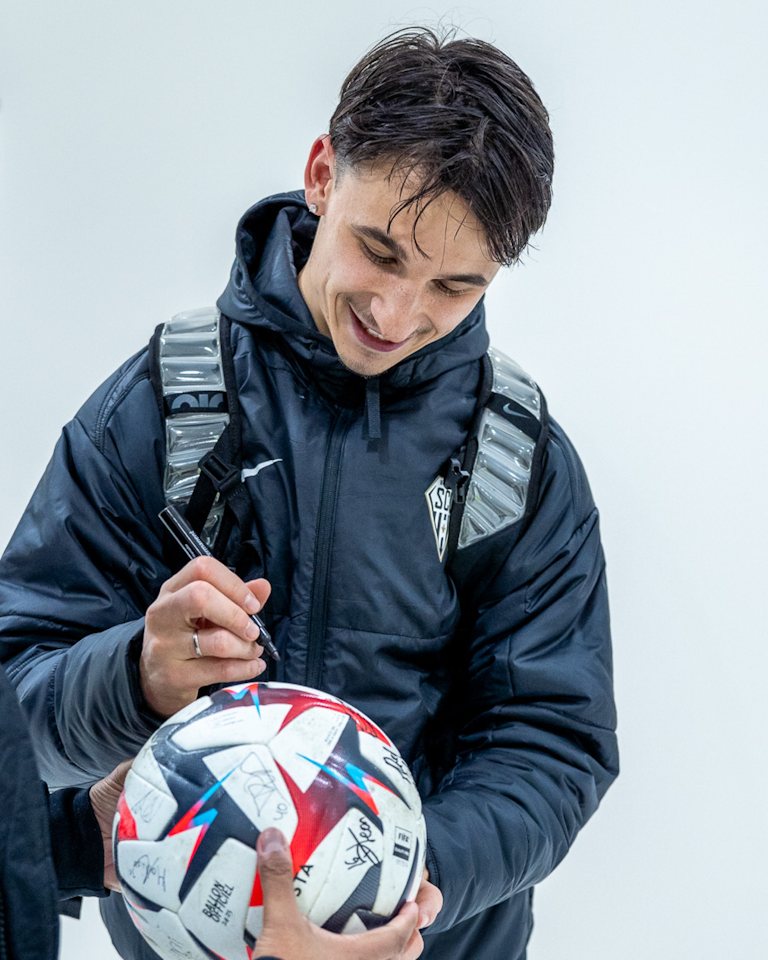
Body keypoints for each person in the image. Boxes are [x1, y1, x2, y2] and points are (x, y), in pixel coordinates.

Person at [0, 27, 618, 960]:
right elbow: (15, 704)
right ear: (323, 173)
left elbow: (553, 745)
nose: (397, 314)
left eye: (455, 286)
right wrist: (134, 675)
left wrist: (390, 892)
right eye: (380, 250)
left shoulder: (519, 461)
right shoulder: (161, 408)